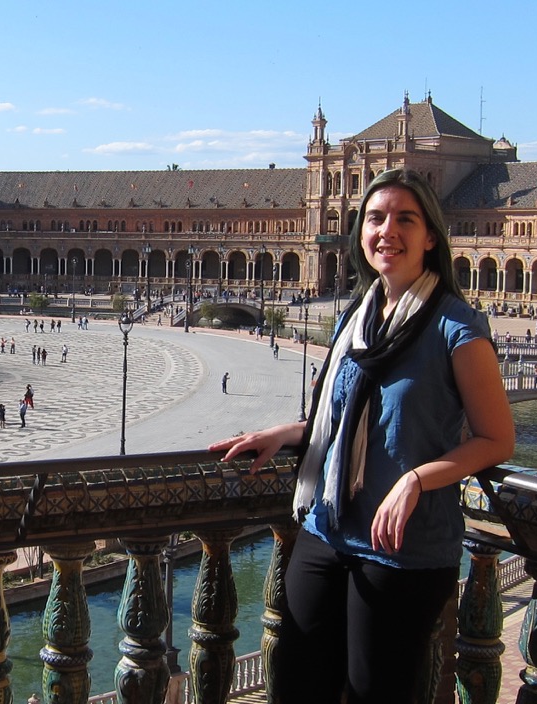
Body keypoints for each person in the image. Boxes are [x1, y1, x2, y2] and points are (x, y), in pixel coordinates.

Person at [208, 168, 514, 704]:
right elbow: (349, 416)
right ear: (360, 232)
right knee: (297, 683)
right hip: (329, 527)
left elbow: (496, 439)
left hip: (403, 547)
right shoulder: (359, 315)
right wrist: (289, 432)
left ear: (431, 237)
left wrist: (416, 479)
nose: (387, 230)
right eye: (375, 218)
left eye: (405, 219)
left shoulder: (456, 328)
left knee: (373, 695)